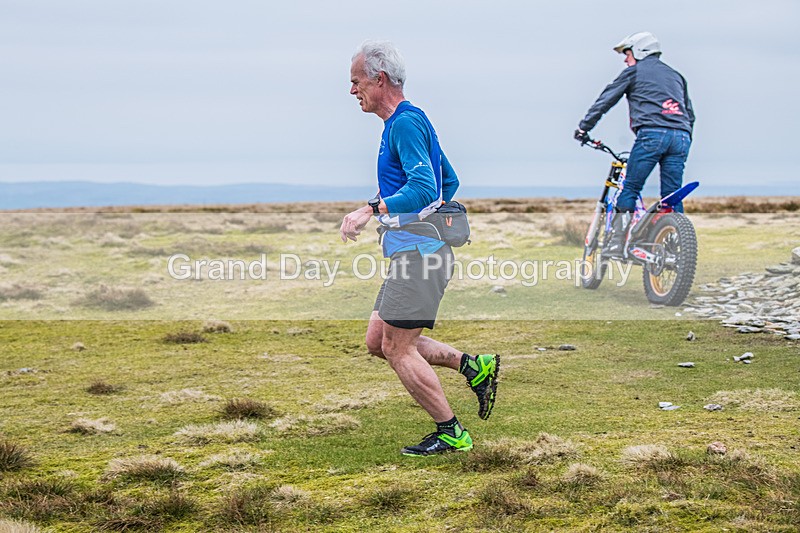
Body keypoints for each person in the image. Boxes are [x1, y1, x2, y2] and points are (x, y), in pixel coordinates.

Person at [340, 40, 499, 457]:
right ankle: (473, 366)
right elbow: (450, 179)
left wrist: (372, 209)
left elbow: (428, 185)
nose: (352, 90)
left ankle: (451, 432)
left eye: (356, 81)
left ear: (381, 79)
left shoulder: (406, 123)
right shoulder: (402, 123)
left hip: (420, 257)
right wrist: (414, 213)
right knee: (379, 341)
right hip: (411, 252)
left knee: (398, 347)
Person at [575, 32, 695, 257]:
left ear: (639, 51)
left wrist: (584, 128)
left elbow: (606, 100)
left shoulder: (634, 72)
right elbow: (690, 114)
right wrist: (684, 138)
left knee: (630, 188)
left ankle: (616, 244)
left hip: (651, 135)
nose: (625, 59)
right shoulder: (677, 76)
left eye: (627, 53)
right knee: (671, 196)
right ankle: (678, 251)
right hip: (681, 137)